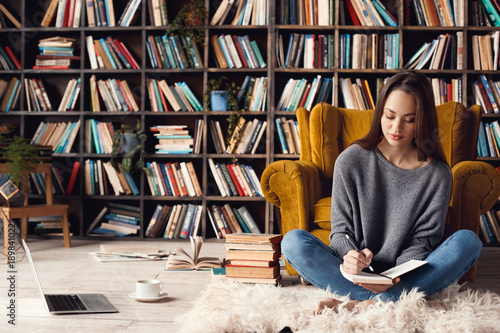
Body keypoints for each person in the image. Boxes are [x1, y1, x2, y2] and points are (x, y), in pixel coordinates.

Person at [281, 71, 483, 313]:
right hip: (354, 274)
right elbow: (341, 229)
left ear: (423, 120)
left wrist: (401, 272)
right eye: (389, 116)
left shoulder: (437, 174)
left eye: (409, 119)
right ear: (380, 113)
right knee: (293, 242)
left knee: (468, 242)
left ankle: (361, 304)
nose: (396, 127)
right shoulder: (351, 160)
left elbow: (423, 240)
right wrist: (350, 255)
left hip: (405, 273)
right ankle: (405, 299)